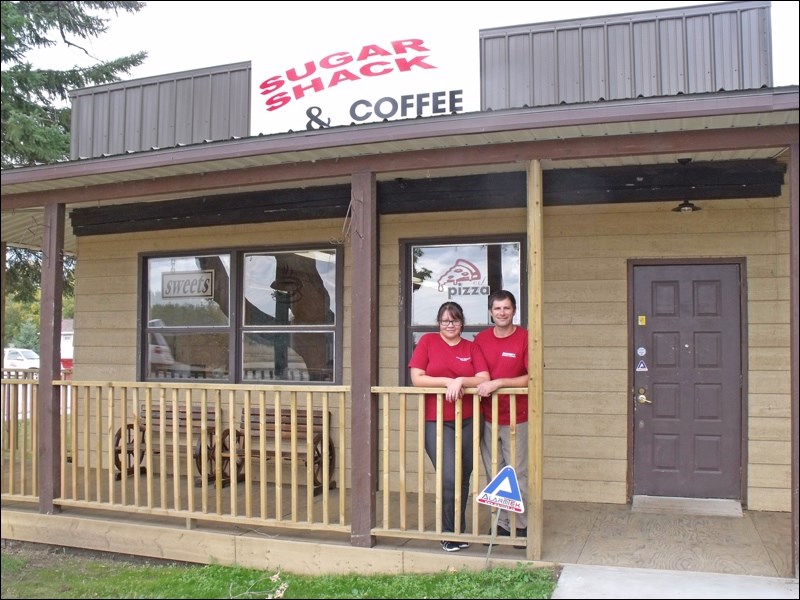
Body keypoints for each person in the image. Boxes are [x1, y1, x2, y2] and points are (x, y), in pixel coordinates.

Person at [408, 301, 489, 553]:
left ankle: (457, 531)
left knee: (463, 475)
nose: (449, 324)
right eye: (445, 321)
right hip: (436, 421)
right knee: (448, 475)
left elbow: (484, 378)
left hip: (468, 420)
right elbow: (417, 378)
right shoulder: (428, 343)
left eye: (454, 320)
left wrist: (462, 380)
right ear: (438, 323)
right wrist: (448, 382)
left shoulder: (471, 347)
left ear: (461, 323)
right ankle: (447, 532)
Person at [473, 290, 529, 548]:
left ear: (514, 310)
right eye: (497, 309)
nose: (502, 313)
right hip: (488, 416)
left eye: (507, 308)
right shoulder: (482, 340)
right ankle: (500, 525)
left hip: (518, 417)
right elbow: (479, 375)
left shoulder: (525, 338)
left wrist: (499, 383)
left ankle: (520, 526)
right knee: (494, 473)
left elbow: (530, 377)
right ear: (490, 311)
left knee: (517, 472)